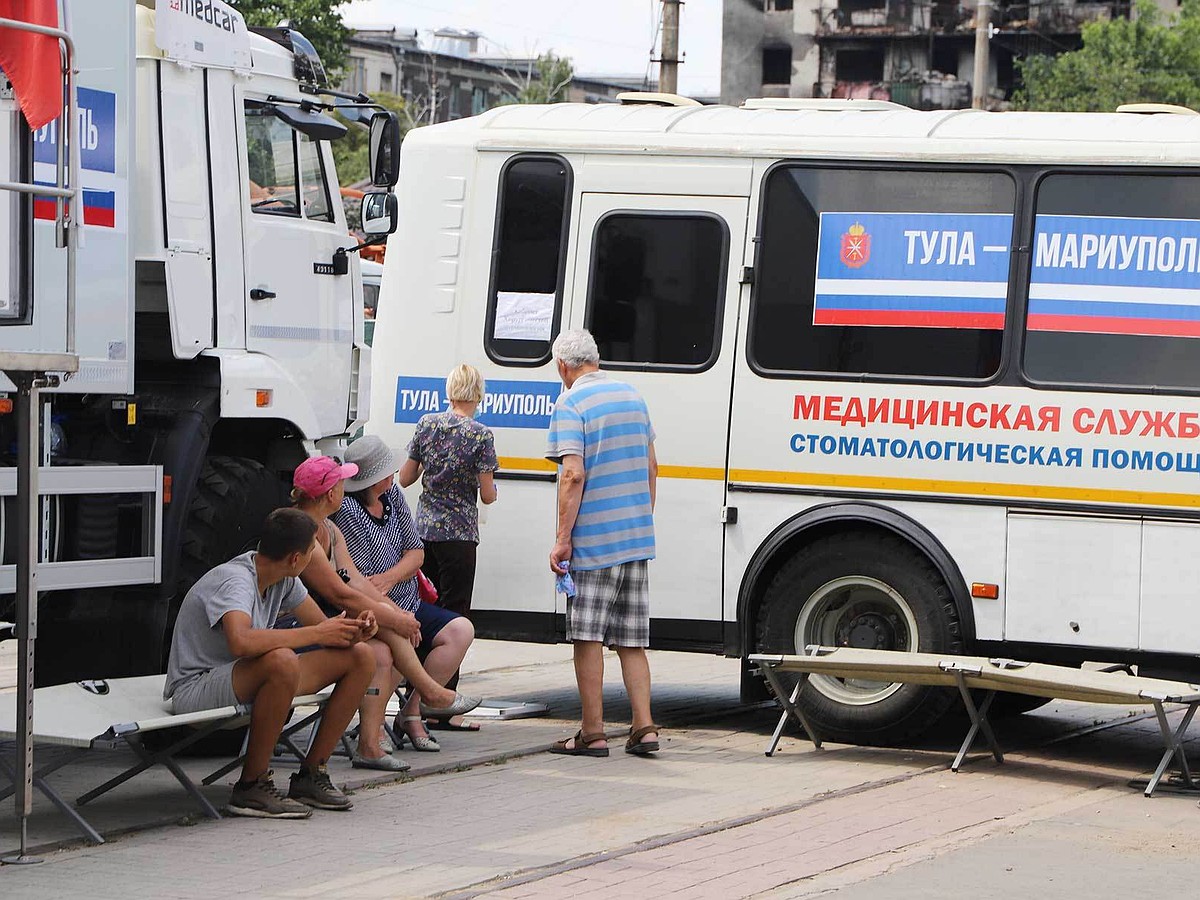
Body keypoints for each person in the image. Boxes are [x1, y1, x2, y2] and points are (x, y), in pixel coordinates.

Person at [163, 508, 377, 818]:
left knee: (360, 657)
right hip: (196, 689)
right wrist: (317, 632)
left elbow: (324, 631)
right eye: (311, 553)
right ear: (295, 559)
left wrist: (356, 632)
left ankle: (311, 775)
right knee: (281, 660)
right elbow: (241, 641)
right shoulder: (236, 580)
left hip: (244, 677)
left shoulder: (284, 580)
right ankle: (252, 785)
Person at [291, 455, 481, 767]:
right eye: (341, 483)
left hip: (329, 618)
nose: (345, 488)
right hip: (301, 627)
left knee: (384, 642)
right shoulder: (303, 533)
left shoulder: (329, 529)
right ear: (330, 494)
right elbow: (341, 593)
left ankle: (381, 736)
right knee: (380, 647)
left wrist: (397, 613)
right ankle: (423, 699)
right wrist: (394, 616)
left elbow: (354, 581)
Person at [545, 329, 661, 758]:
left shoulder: (570, 403)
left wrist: (562, 539)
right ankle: (644, 727)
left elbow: (572, 475)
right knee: (632, 640)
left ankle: (592, 732)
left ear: (563, 367)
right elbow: (652, 466)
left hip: (593, 543)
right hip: (635, 539)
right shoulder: (632, 396)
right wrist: (641, 518)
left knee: (588, 637)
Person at [333, 435, 479, 752]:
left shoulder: (393, 497)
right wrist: (393, 607)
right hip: (373, 609)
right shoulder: (346, 510)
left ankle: (411, 712)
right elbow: (360, 583)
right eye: (387, 470)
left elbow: (416, 552)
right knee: (396, 640)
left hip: (405, 600)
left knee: (460, 629)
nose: (393, 475)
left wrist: (389, 578)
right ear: (373, 477)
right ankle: (374, 729)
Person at [398, 364, 498, 731]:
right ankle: (441, 704)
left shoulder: (426, 425)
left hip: (422, 534)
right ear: (478, 394)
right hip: (459, 536)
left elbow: (406, 478)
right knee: (454, 617)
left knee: (421, 610)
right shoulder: (481, 435)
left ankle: (413, 685)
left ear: (450, 389)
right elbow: (487, 495)